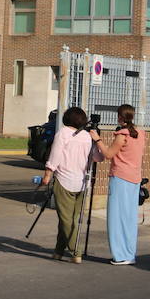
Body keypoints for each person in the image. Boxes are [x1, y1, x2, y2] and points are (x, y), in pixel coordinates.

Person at [40, 106, 102, 263]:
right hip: (82, 183)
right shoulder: (87, 136)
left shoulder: (63, 133)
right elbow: (97, 158)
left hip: (64, 180)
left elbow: (55, 155)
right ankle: (58, 251)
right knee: (69, 218)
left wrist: (48, 173)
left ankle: (76, 251)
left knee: (66, 219)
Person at [93, 104, 145, 265]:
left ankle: (120, 255)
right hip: (134, 178)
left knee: (116, 218)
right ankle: (129, 254)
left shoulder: (122, 135)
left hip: (121, 178)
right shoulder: (140, 134)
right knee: (129, 218)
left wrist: (97, 139)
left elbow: (108, 154)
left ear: (120, 117)